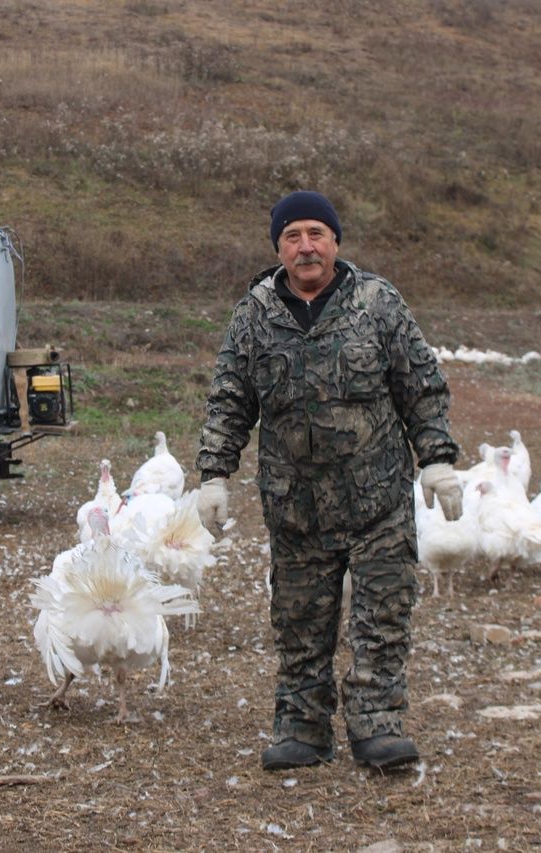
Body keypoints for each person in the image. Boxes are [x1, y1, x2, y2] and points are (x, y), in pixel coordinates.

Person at [195, 190, 463, 772]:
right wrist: (214, 473)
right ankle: (301, 728)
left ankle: (378, 725)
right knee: (298, 626)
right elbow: (228, 400)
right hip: (297, 513)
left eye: (316, 233)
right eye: (293, 236)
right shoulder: (253, 316)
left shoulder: (378, 304)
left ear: (335, 241)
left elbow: (421, 385)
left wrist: (437, 459)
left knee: (384, 620)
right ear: (279, 248)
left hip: (379, 505)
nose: (306, 246)